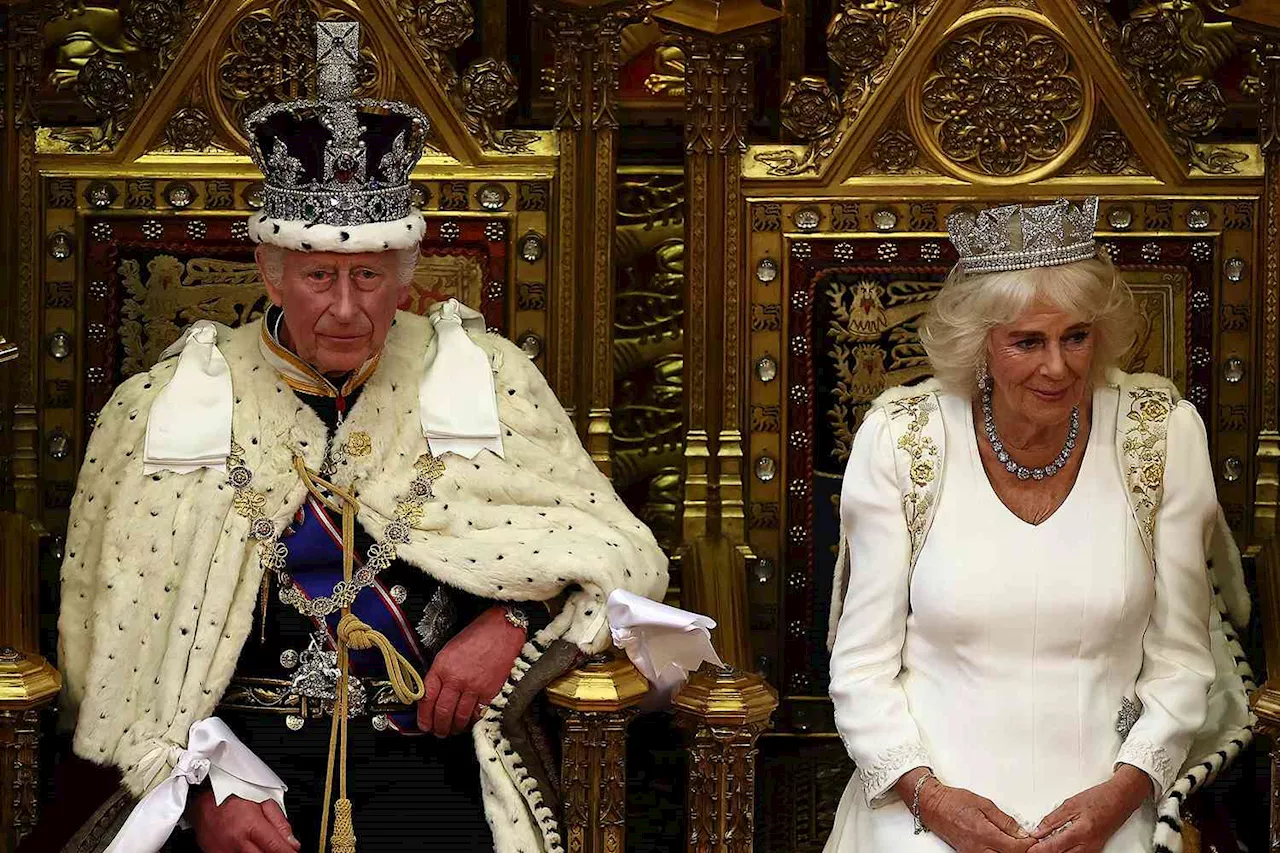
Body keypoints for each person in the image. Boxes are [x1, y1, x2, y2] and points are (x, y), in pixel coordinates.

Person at [51, 21, 666, 853]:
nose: (346, 307)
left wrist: (518, 620)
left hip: (429, 757)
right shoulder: (162, 405)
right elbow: (106, 636)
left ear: (403, 274)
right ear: (270, 270)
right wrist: (202, 782)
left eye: (370, 274)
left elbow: (623, 555)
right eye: (318, 275)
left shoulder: (483, 376)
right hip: (235, 762)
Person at [823, 197, 1253, 853]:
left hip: (1107, 792)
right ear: (981, 346)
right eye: (1028, 341)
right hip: (928, 795)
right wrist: (931, 800)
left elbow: (1181, 660)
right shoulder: (902, 438)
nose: (1057, 366)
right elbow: (861, 669)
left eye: (1075, 336)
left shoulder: (1161, 434)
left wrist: (1124, 791)